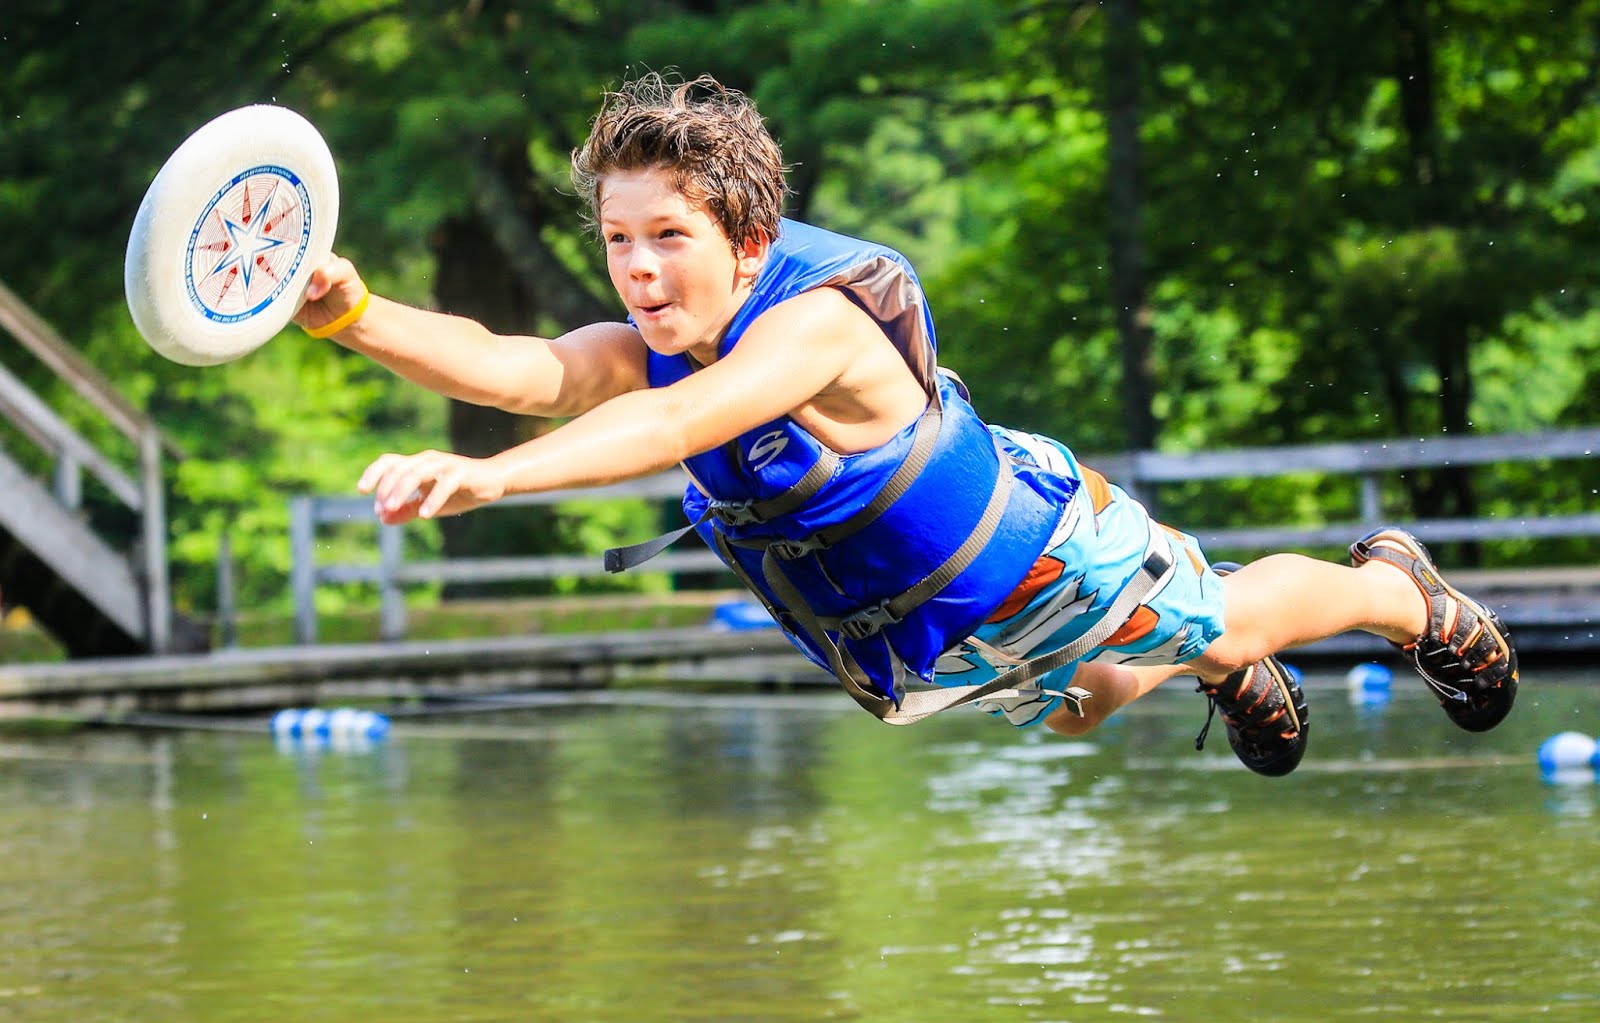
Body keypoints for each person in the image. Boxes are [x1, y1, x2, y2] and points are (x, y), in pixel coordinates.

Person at [292, 73, 1518, 776]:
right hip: (939, 632)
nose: (638, 269)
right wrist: (350, 310)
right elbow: (518, 369)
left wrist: (490, 480)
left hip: (1040, 548)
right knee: (1088, 705)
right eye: (618, 240)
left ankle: (1395, 590)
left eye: (668, 236)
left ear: (748, 242)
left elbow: (682, 420)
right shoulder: (646, 340)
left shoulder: (817, 329)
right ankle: (1222, 667)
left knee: (1227, 611)